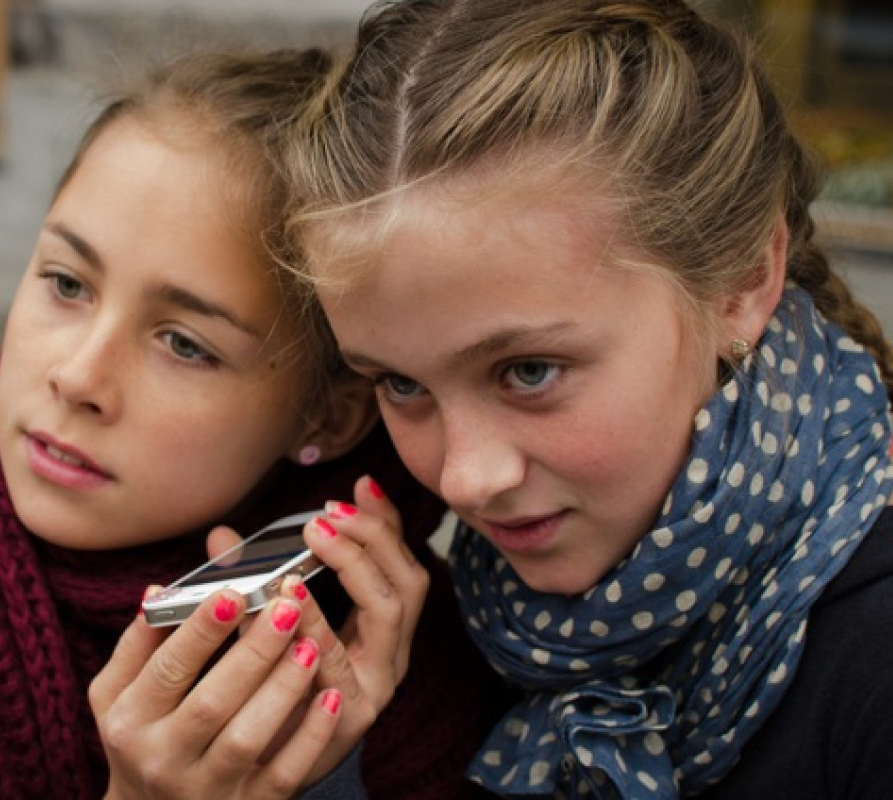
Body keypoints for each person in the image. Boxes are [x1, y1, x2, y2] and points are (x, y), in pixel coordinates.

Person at [0, 48, 508, 799]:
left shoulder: (442, 669)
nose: (78, 376)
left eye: (185, 344)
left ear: (330, 417)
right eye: (66, 283)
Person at [283, 1, 893, 797]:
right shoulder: (457, 636)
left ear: (742, 283)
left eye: (529, 371)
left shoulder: (872, 666)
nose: (468, 479)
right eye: (401, 384)